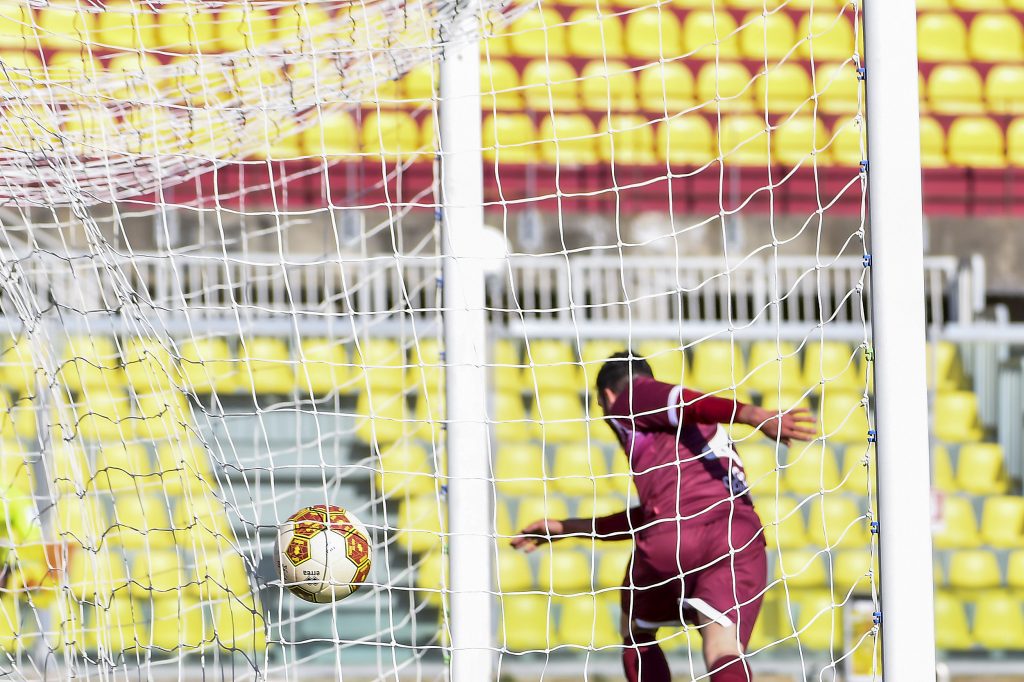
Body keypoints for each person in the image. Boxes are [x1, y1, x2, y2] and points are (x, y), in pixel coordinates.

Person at [511, 351, 817, 682]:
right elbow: (655, 515)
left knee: (636, 629)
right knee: (722, 647)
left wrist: (752, 414)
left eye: (601, 405)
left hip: (677, 537)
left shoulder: (633, 395)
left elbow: (685, 401)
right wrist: (569, 527)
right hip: (738, 537)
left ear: (607, 396)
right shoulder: (687, 442)